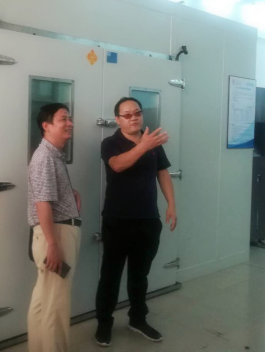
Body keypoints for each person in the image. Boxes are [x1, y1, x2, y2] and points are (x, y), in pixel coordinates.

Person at [95, 97, 178, 348]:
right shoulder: (110, 143)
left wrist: (171, 204)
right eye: (127, 115)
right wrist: (143, 146)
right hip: (117, 220)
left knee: (139, 276)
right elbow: (117, 165)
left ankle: (138, 319)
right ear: (118, 119)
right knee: (110, 276)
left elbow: (162, 173)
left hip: (148, 220)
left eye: (137, 113)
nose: (134, 118)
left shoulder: (152, 141)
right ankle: (104, 323)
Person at [27, 103, 82, 353]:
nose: (70, 124)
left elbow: (47, 194)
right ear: (46, 126)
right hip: (56, 234)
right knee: (56, 306)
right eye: (63, 119)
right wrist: (53, 244)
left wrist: (69, 193)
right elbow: (42, 203)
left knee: (43, 302)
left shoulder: (52, 155)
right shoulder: (45, 157)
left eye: (70, 119)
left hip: (54, 233)